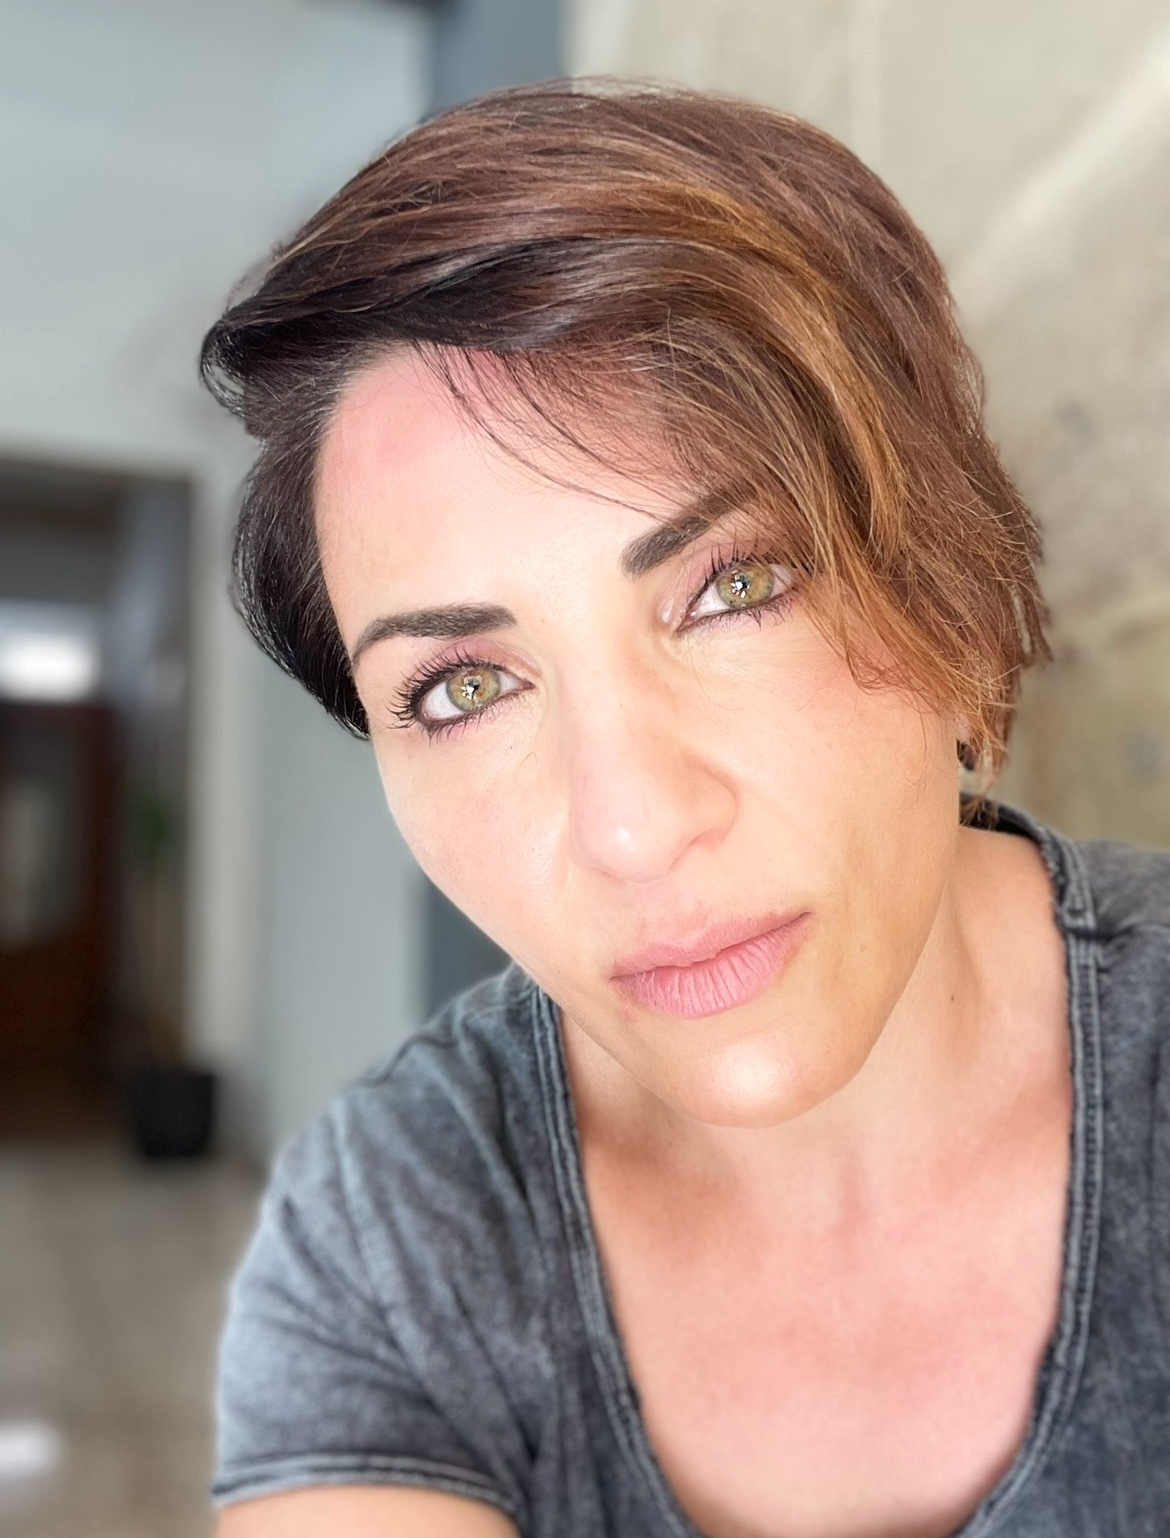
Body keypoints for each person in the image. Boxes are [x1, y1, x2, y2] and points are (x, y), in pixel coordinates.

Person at [203, 83, 1169, 1538]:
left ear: (959, 600)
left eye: (735, 587)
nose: (632, 827)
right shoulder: (394, 1232)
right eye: (464, 687)